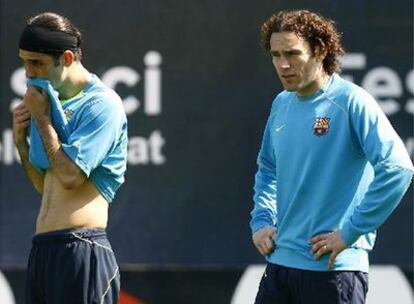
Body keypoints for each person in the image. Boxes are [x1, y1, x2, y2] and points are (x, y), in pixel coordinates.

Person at [250, 9, 413, 304]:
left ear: (320, 50)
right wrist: (262, 220)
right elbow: (268, 168)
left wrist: (350, 232)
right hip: (280, 266)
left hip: (333, 270)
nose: (283, 64)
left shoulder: (351, 101)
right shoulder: (281, 104)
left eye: (292, 53)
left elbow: (398, 168)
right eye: (275, 55)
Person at [12, 12, 128, 303]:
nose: (27, 72)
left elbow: (70, 177)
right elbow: (46, 186)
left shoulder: (103, 104)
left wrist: (41, 119)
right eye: (24, 61)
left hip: (81, 250)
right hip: (43, 250)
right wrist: (20, 143)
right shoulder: (48, 102)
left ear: (66, 58)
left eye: (36, 62)